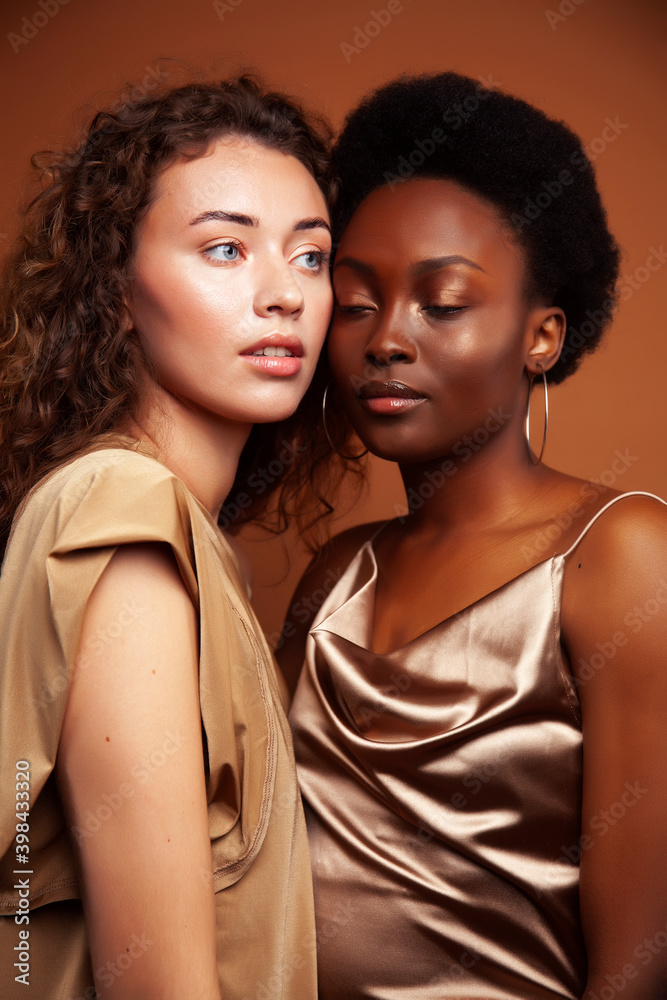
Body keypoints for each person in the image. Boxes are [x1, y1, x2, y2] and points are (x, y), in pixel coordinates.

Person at [281, 73, 667, 999]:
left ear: (540, 337)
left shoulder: (621, 556)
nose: (386, 340)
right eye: (358, 301)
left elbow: (640, 967)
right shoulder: (336, 574)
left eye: (441, 302)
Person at [0, 75, 336, 999]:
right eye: (224, 249)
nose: (283, 295)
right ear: (113, 291)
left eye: (311, 258)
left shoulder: (173, 524)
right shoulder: (125, 512)